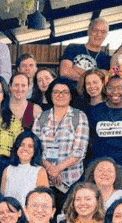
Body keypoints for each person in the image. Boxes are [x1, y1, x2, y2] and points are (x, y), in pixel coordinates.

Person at [32, 78, 88, 211]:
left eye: (64, 92)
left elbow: (79, 151)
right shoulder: (41, 117)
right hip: (45, 179)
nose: (60, 95)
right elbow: (35, 148)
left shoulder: (79, 116)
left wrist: (58, 169)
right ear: (50, 95)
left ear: (71, 95)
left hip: (71, 180)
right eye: (56, 92)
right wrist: (50, 168)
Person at [59, 18, 111, 90]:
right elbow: (64, 72)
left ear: (106, 34)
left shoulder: (107, 59)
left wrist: (78, 70)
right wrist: (96, 77)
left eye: (103, 32)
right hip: (70, 93)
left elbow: (106, 81)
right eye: (95, 30)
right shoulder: (73, 48)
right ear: (89, 31)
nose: (98, 34)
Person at [0, 131, 48, 204]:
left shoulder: (40, 171)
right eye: (22, 145)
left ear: (35, 150)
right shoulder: (8, 170)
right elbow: (2, 199)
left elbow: (44, 200)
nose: (25, 149)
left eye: (30, 146)